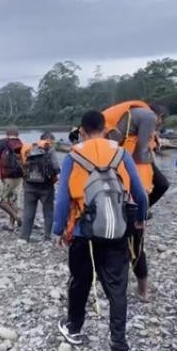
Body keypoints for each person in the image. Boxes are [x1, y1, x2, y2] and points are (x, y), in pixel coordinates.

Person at [53, 110, 148, 351]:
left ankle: (74, 327)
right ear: (106, 129)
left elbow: (62, 200)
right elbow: (140, 193)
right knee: (117, 289)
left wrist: (58, 230)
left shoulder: (73, 156)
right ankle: (118, 340)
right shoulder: (121, 153)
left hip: (84, 234)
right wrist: (138, 220)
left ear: (82, 132)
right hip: (118, 230)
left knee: (80, 282)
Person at [102, 100, 170, 300]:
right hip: (133, 183)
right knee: (136, 242)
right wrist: (151, 149)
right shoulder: (148, 117)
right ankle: (143, 290)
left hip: (117, 180)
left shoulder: (133, 115)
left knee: (115, 242)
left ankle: (112, 284)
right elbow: (140, 154)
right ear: (159, 117)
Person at [19, 132, 60, 242]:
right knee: (48, 212)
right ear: (50, 140)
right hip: (46, 187)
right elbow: (56, 167)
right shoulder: (50, 149)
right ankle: (47, 237)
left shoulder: (31, 148)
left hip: (29, 185)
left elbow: (23, 164)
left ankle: (24, 237)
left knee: (28, 211)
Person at [0, 126, 24, 230]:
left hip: (5, 176)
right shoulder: (21, 143)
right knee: (13, 200)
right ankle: (11, 225)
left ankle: (16, 217)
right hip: (19, 176)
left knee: (0, 200)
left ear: (7, 133)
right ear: (18, 134)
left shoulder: (2, 142)